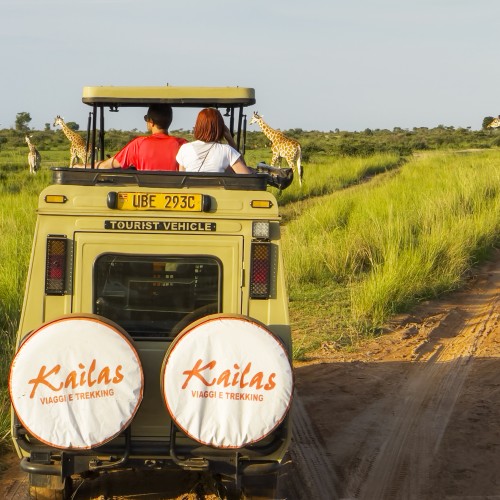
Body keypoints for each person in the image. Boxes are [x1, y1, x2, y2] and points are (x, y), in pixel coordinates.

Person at [96, 104, 187, 170]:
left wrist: (83, 166)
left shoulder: (138, 144)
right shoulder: (183, 145)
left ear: (151, 122)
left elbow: (105, 166)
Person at [176, 108, 252, 174]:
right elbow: (246, 176)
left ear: (198, 126)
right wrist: (230, 140)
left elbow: (182, 177)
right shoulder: (226, 150)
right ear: (221, 128)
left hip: (192, 191)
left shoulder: (185, 148)